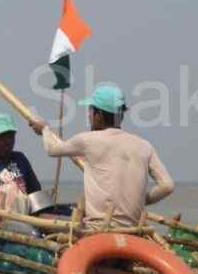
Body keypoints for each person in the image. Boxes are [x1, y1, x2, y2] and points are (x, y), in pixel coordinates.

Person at [29, 83, 174, 228]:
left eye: (90, 112)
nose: (89, 116)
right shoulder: (144, 146)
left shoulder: (89, 140)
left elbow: (52, 149)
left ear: (98, 116)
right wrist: (142, 200)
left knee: (41, 218)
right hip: (132, 228)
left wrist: (44, 129)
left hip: (98, 228)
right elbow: (167, 186)